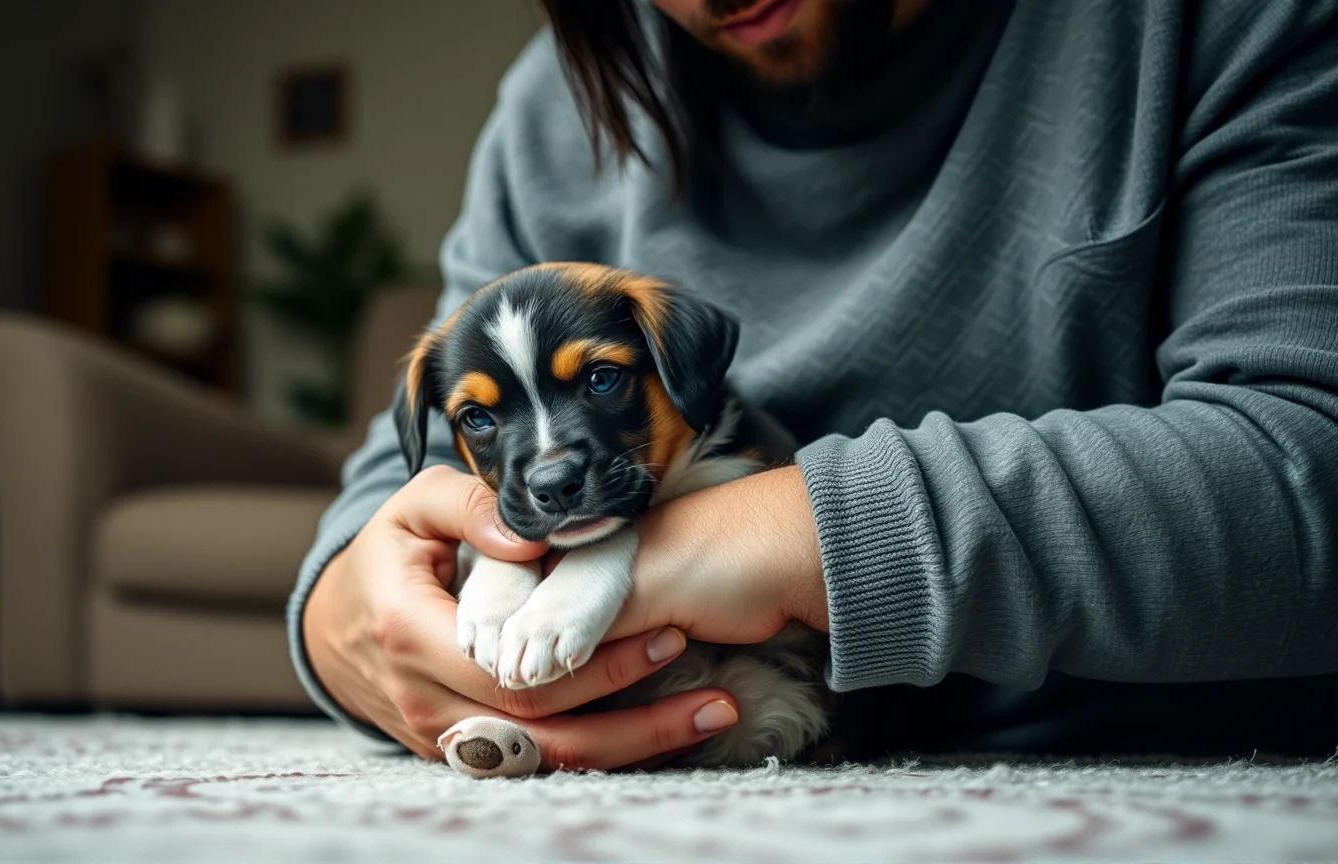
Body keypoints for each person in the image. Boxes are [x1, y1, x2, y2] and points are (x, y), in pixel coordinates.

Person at [289, 0, 1338, 769]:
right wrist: (350, 625)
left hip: (1152, 773)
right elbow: (404, 482)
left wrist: (763, 538)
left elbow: (1310, 461)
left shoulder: (1211, 23)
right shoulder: (552, 109)